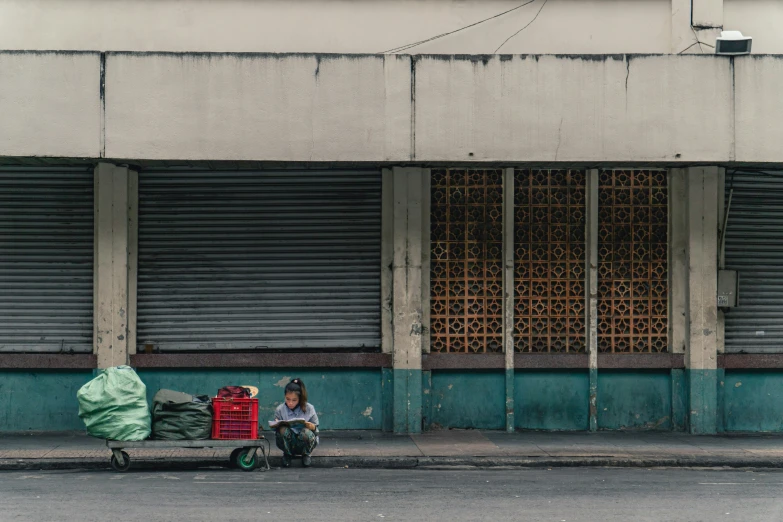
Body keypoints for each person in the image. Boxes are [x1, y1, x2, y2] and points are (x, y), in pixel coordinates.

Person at [273, 378, 319, 467]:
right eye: (287, 399)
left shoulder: (309, 408)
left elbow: (316, 432)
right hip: (288, 443)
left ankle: (306, 454)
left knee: (306, 433)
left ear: (300, 399)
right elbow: (276, 432)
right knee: (282, 430)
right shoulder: (280, 409)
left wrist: (312, 427)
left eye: (294, 400)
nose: (290, 403)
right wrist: (276, 425)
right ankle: (287, 455)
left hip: (304, 442)